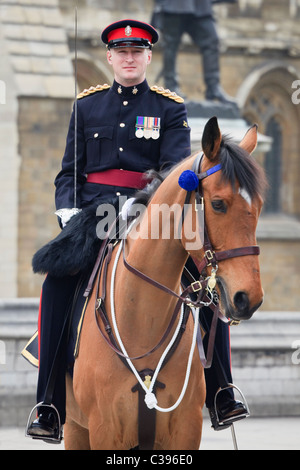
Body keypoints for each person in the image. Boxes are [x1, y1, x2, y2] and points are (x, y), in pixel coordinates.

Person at [26, 18, 246, 442]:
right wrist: (69, 212)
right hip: (93, 220)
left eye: (137, 51)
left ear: (148, 57)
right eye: (121, 52)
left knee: (203, 285)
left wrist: (140, 206)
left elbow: (174, 173)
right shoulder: (86, 106)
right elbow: (67, 173)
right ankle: (50, 402)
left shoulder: (169, 107)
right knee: (56, 282)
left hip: (154, 218)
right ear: (110, 57)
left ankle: (221, 389)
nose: (129, 58)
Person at [152, 0, 236, 104]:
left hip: (200, 5)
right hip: (174, 5)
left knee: (211, 41)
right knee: (171, 45)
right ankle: (171, 86)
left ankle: (213, 88)